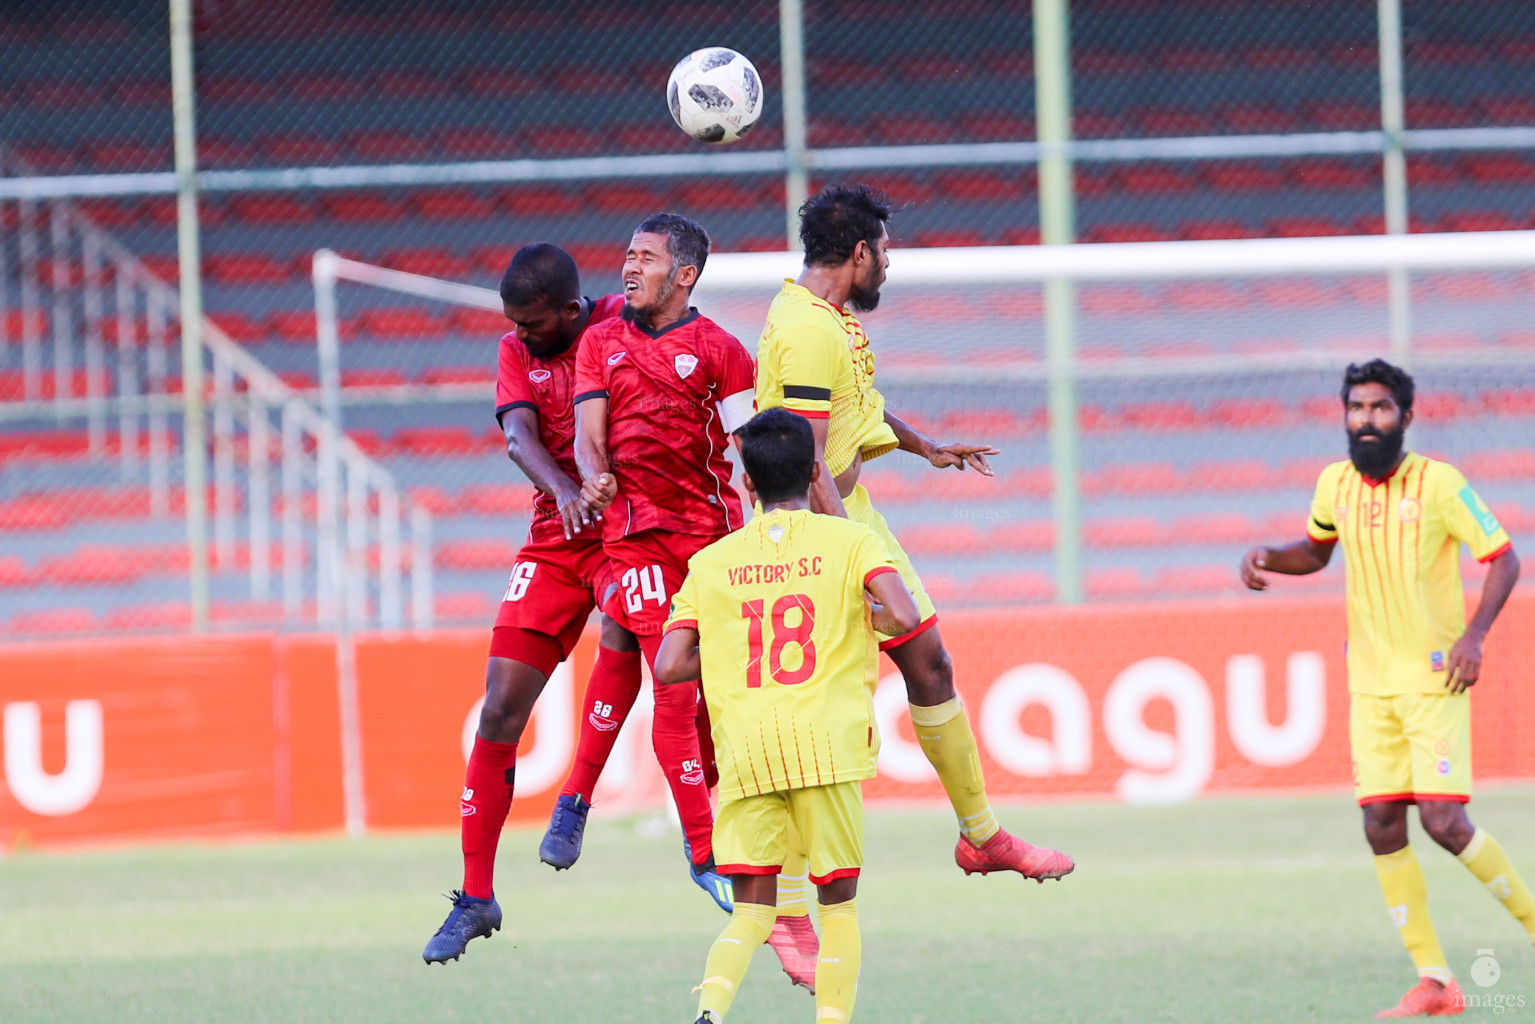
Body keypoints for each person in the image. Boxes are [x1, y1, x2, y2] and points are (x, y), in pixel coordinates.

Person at [754, 182, 1075, 884]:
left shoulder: (825, 318)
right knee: (819, 717)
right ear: (861, 251)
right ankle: (775, 892)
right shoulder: (807, 331)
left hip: (850, 514)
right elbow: (806, 462)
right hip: (812, 532)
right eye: (886, 251)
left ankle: (981, 837)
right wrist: (851, 556)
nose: (890, 266)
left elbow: (854, 406)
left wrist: (924, 446)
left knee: (928, 660)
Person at [1240, 358, 1531, 1019]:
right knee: (1379, 823)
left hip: (1432, 678)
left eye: (1378, 408)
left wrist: (1473, 636)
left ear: (1406, 415)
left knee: (1442, 821)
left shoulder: (1439, 484)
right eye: (1355, 408)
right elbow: (1315, 552)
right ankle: (1434, 982)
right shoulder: (1333, 484)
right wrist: (1267, 555)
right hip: (1369, 685)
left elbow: (1503, 557)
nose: (1365, 419)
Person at [655, 407, 921, 1024]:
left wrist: (727, 647)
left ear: (746, 482)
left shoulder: (712, 563)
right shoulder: (853, 541)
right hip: (827, 747)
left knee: (752, 914)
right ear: (814, 472)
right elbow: (905, 618)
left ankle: (712, 1012)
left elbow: (669, 666)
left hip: (748, 753)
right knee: (839, 909)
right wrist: (853, 623)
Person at [422, 243, 645, 964]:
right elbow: (518, 434)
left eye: (532, 324)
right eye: (513, 323)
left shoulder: (616, 323)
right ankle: (476, 896)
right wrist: (564, 491)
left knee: (626, 629)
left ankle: (575, 800)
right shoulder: (515, 349)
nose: (519, 334)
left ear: (571, 312)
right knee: (498, 708)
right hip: (557, 532)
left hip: (624, 528)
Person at [555, 212, 757, 908]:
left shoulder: (722, 350)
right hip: (635, 537)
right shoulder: (600, 342)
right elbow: (587, 438)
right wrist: (594, 474)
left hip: (714, 540)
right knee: (671, 681)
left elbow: (749, 451)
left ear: (684, 273)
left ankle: (585, 800)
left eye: (645, 257)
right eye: (627, 254)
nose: (628, 266)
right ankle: (703, 852)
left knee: (713, 695)